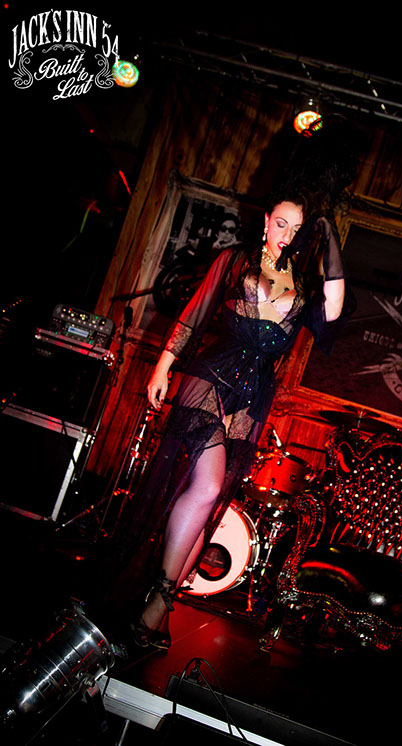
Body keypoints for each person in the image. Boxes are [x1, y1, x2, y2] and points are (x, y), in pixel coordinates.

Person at [127, 187, 354, 649]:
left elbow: (333, 308)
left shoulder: (304, 283)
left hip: (253, 396)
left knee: (210, 505)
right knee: (208, 487)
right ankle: (156, 600)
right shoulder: (235, 261)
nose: (285, 234)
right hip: (211, 377)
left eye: (296, 229)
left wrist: (329, 235)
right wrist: (163, 366)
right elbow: (195, 313)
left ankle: (159, 611)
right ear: (266, 220)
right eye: (280, 223)